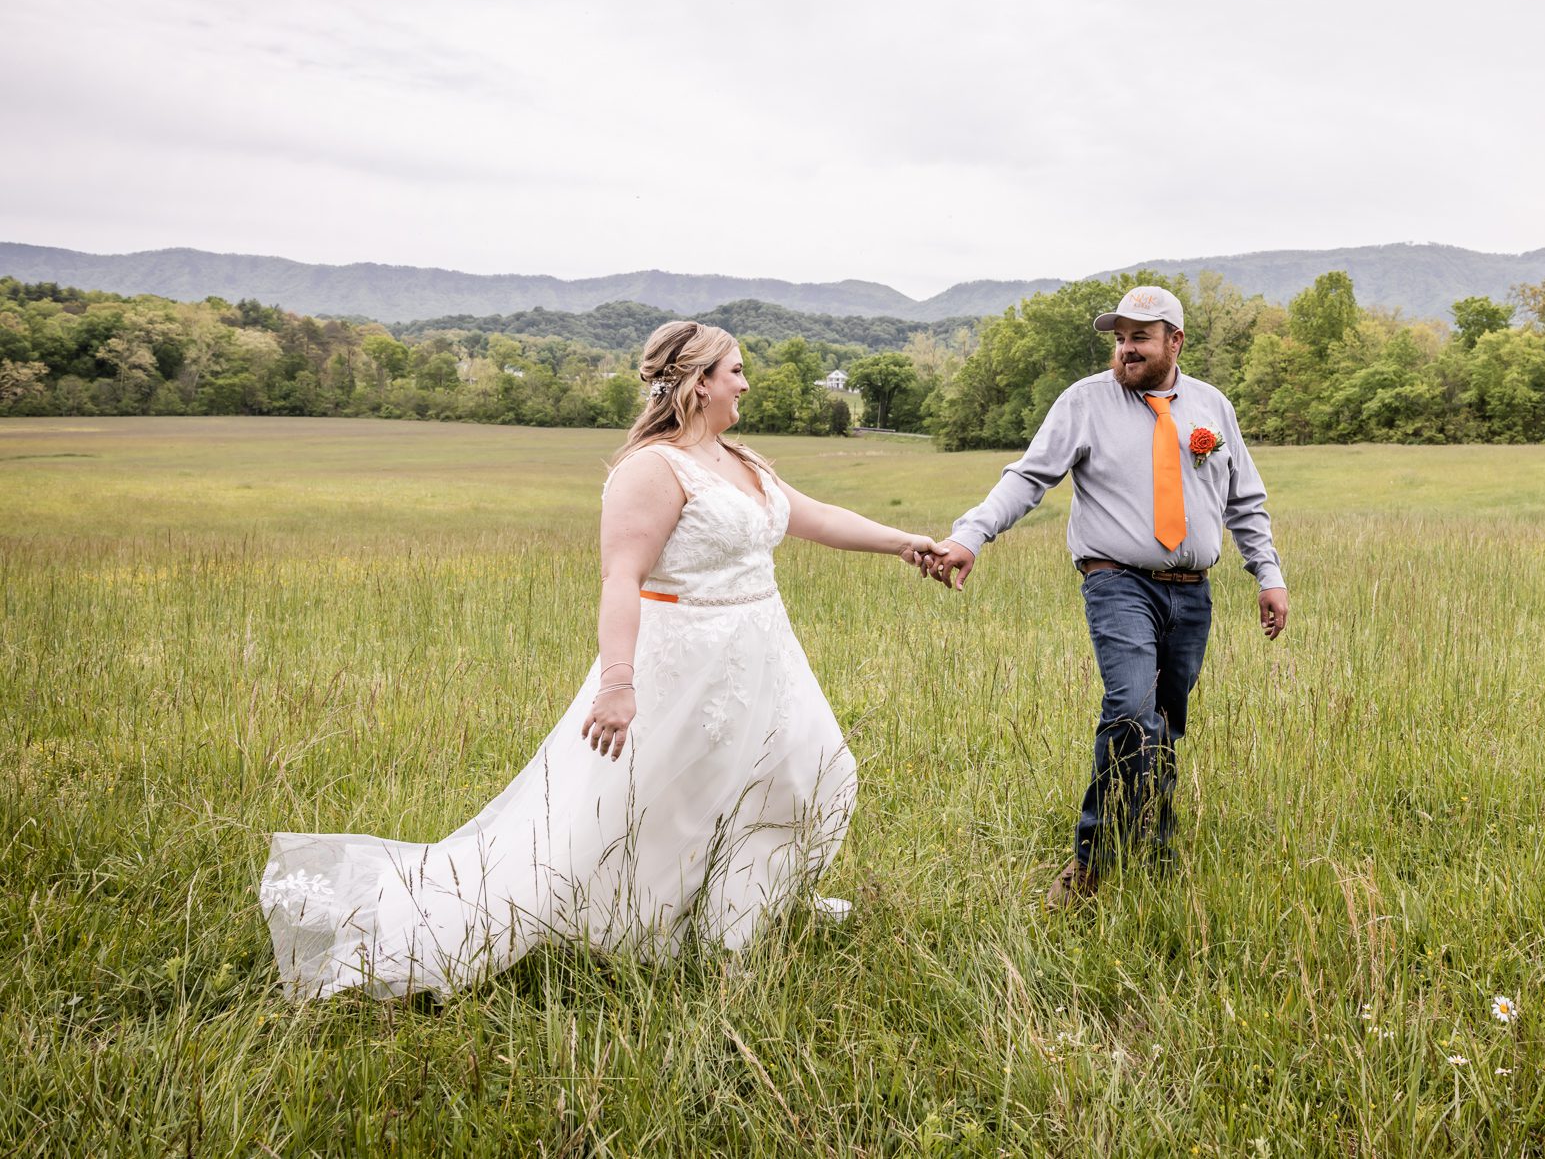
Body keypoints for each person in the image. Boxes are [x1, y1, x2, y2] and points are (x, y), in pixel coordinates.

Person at [261, 321, 937, 998]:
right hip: (683, 666)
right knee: (656, 807)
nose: (745, 382)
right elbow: (621, 577)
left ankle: (745, 914)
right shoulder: (651, 468)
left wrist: (905, 542)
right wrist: (617, 682)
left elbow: (813, 516)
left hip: (765, 657)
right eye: (735, 370)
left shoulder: (741, 460)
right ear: (700, 383)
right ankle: (649, 928)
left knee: (802, 777)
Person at [917, 285, 1288, 910]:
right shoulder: (1085, 401)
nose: (1126, 348)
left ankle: (1157, 845)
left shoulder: (1211, 408)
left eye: (1139, 336)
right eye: (1119, 337)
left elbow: (1243, 501)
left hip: (1192, 593)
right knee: (1129, 708)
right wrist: (970, 536)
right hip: (1117, 581)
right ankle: (1090, 865)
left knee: (1162, 725)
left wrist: (1268, 574)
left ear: (1175, 341)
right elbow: (1028, 477)